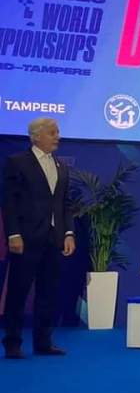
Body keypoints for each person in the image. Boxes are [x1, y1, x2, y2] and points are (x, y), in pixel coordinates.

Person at [2, 117, 76, 358]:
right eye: (52, 133)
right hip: (26, 238)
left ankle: (43, 342)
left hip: (54, 239)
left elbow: (65, 204)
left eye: (57, 132)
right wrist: (13, 233)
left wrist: (68, 233)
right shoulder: (17, 162)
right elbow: (9, 202)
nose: (57, 137)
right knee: (18, 292)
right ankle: (12, 343)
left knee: (48, 293)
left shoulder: (61, 166)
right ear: (36, 136)